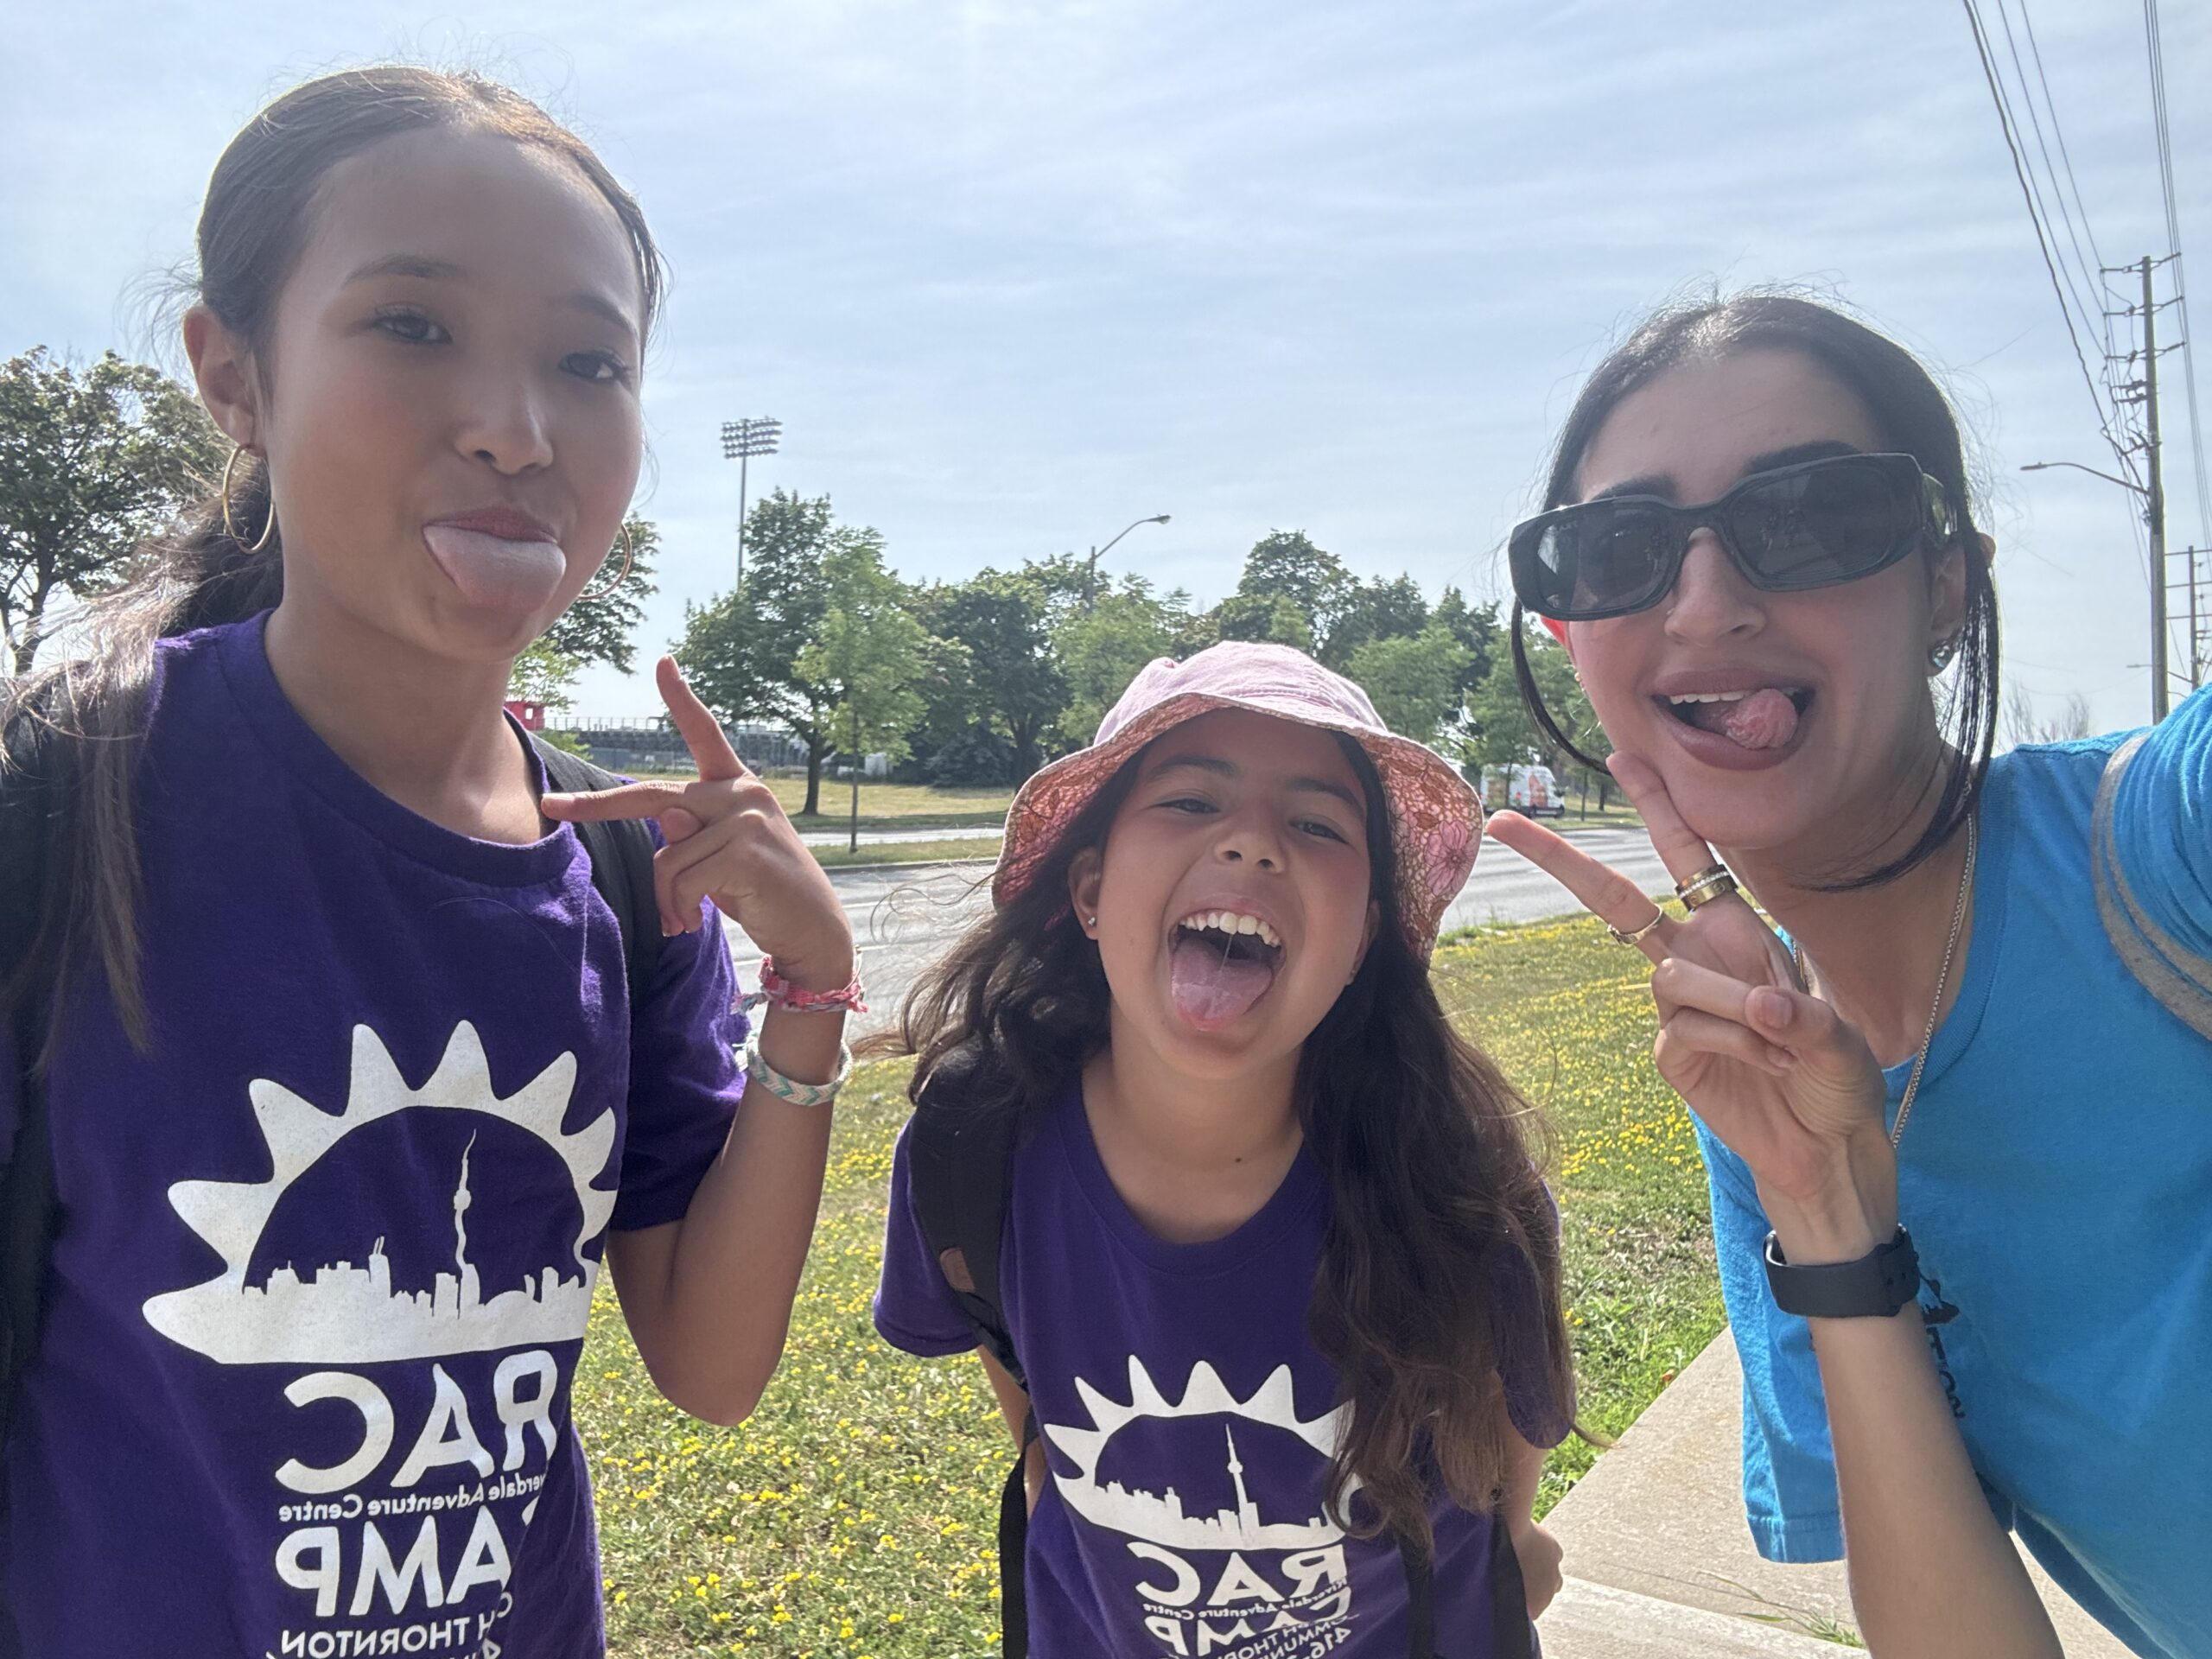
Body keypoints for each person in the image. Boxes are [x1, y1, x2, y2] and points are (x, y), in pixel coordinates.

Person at [0, 67, 856, 1656]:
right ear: (234, 374)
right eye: (412, 326)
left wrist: (808, 991)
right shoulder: (58, 800)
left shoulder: (619, 877)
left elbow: (715, 1368)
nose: (516, 430)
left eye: (588, 361)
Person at [1485, 290, 2209, 1659]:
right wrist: (1828, 1216)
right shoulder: (1761, 1086)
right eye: (1620, 548)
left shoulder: (2171, 848)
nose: (1705, 601)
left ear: (1947, 581)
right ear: (1576, 636)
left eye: (1811, 513)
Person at [871, 641, 1579, 1658]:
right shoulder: (971, 1146)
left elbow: (1507, 1479)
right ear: (1088, 892)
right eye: (1191, 802)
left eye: (1314, 822)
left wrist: (1516, 1542)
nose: (1251, 845)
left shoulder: (1461, 1181)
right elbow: (1045, 1448)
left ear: (1365, 938)